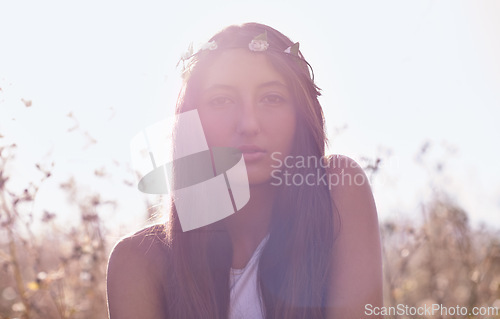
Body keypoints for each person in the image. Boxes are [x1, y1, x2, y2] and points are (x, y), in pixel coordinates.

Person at [107, 22, 383, 319]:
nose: (249, 123)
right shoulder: (139, 261)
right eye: (221, 101)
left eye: (271, 98)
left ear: (301, 114)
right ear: (192, 120)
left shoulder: (338, 190)